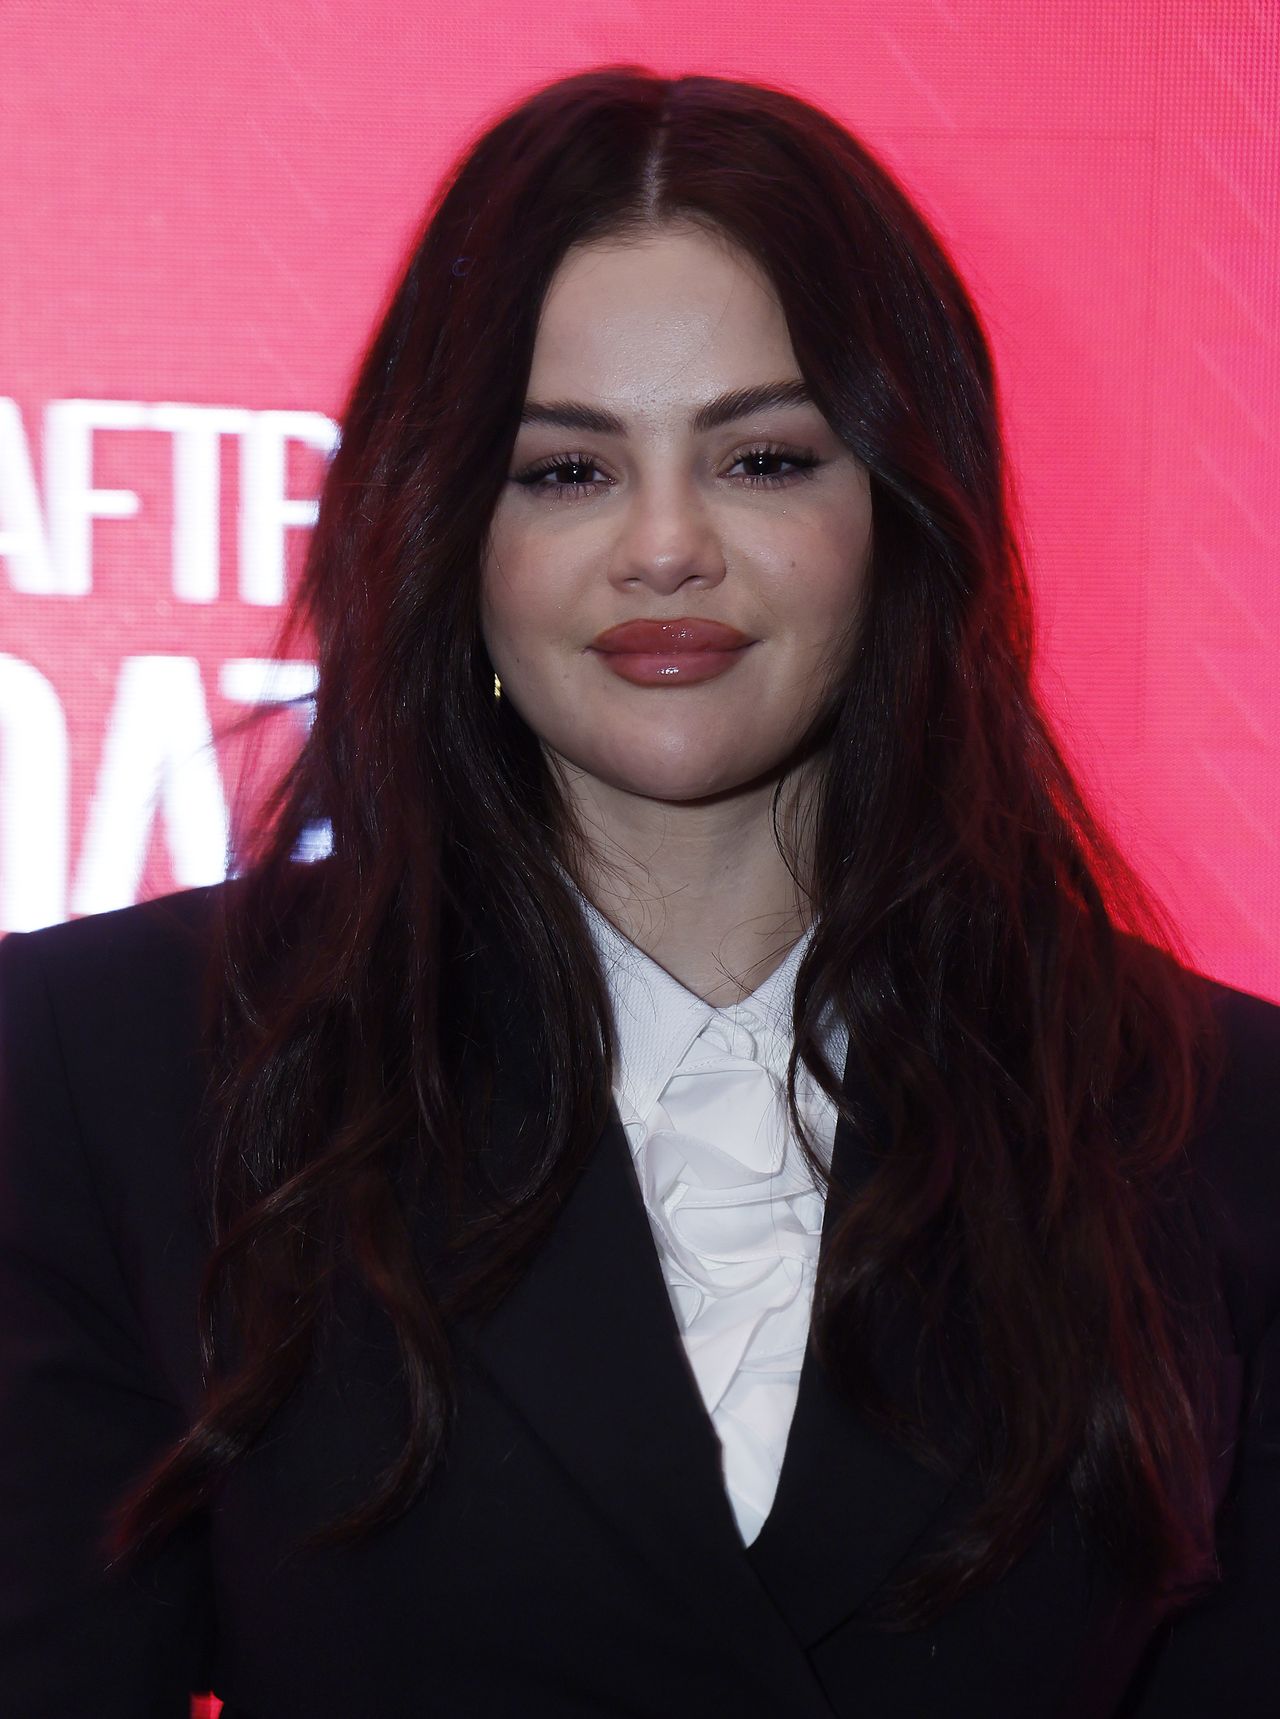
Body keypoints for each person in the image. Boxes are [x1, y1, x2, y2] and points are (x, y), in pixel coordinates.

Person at [0, 64, 1276, 1719]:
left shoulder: (1212, 1117)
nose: (665, 545)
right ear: (446, 527)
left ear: (898, 510)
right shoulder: (111, 1071)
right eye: (566, 472)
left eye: (760, 458)